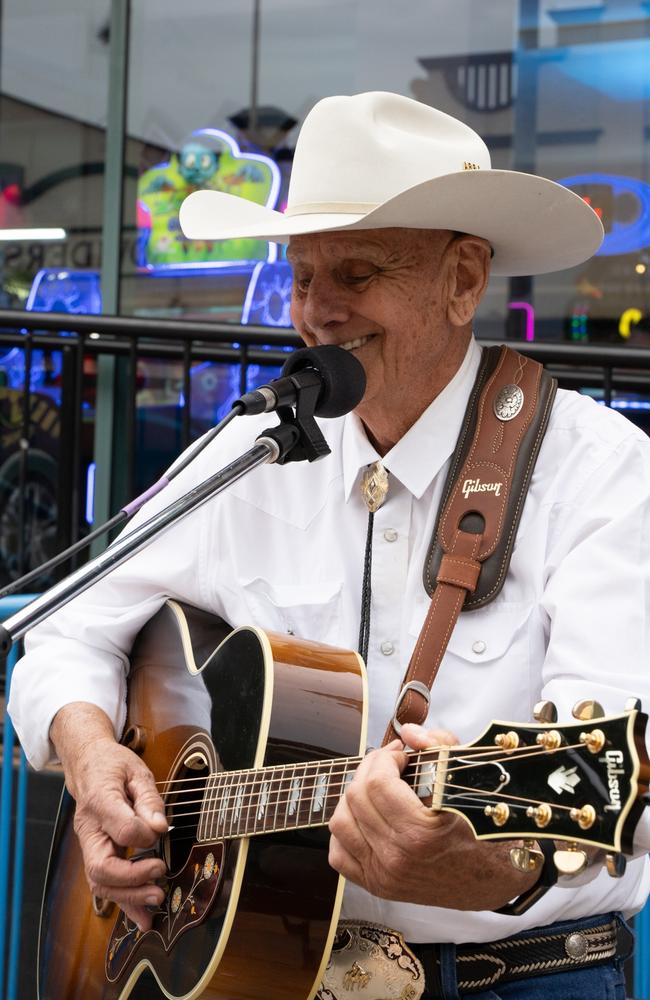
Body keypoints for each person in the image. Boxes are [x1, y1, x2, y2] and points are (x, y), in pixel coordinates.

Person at [9, 92, 650, 1000]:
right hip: (267, 971)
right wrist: (89, 755)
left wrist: (497, 868)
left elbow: (616, 780)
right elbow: (67, 629)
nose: (317, 312)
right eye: (303, 277)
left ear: (464, 280)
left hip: (517, 977)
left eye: (356, 273)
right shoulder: (252, 450)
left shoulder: (600, 473)